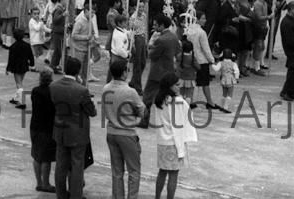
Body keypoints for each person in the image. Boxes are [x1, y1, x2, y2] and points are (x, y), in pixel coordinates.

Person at [50, 56, 97, 199]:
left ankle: (61, 195)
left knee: (60, 165)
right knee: (77, 166)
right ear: (78, 72)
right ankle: (76, 195)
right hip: (77, 132)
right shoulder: (81, 90)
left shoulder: (53, 86)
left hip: (60, 130)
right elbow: (92, 112)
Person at [102, 57, 145, 199]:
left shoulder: (106, 88)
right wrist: (137, 119)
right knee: (134, 171)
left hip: (111, 131)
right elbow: (141, 110)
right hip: (127, 133)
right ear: (123, 73)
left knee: (117, 171)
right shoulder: (130, 92)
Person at [150, 72, 197, 199]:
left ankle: (157, 197)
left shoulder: (159, 100)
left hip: (162, 141)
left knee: (162, 172)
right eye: (177, 85)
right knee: (173, 174)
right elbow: (184, 122)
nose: (179, 87)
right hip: (174, 143)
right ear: (170, 86)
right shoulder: (178, 102)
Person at [30, 68, 57, 193]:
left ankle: (38, 182)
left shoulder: (35, 91)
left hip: (35, 126)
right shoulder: (53, 92)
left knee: (37, 155)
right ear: (51, 79)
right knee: (46, 157)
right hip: (48, 127)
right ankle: (46, 183)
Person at [279, 0, 294, 101]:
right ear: (291, 9)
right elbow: (290, 40)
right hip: (292, 50)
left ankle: (290, 91)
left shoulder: (292, 20)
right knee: (292, 73)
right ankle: (287, 92)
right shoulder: (287, 22)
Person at [6, 27, 35, 109]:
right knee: (20, 82)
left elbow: (10, 59)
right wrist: (32, 64)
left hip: (16, 67)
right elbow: (31, 56)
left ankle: (22, 101)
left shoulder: (13, 47)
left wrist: (8, 68)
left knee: (19, 83)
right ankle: (16, 98)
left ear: (14, 36)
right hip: (24, 66)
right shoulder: (27, 45)